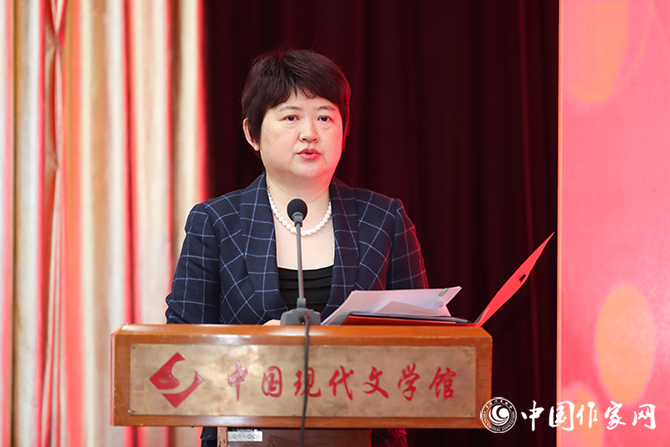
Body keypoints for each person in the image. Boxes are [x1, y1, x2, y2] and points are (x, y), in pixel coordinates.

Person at [166, 48, 428, 447]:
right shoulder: (216, 223)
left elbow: (423, 345)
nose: (310, 133)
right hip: (246, 437)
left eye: (325, 117)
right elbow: (180, 350)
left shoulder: (384, 219)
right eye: (291, 117)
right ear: (252, 134)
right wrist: (257, 348)